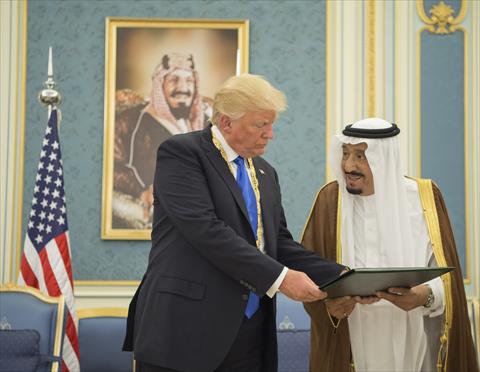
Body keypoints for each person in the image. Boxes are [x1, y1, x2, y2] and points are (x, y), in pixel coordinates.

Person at [123, 73, 345, 372]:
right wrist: (281, 278)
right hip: (183, 332)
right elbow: (207, 231)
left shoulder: (266, 172)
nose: (270, 134)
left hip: (249, 335)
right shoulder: (182, 154)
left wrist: (342, 278)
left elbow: (277, 243)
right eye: (260, 125)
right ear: (226, 122)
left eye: (271, 124)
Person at [301, 118, 478, 372]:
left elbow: (447, 276)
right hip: (351, 339)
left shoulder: (424, 197)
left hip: (414, 334)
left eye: (360, 156)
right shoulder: (330, 200)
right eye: (345, 153)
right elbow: (307, 272)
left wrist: (424, 296)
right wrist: (328, 306)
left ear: (383, 158)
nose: (349, 165)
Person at [112, 53, 211, 228]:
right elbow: (112, 167)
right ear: (160, 84)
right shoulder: (131, 121)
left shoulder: (206, 124)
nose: (183, 88)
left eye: (189, 81)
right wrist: (141, 189)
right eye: (174, 80)